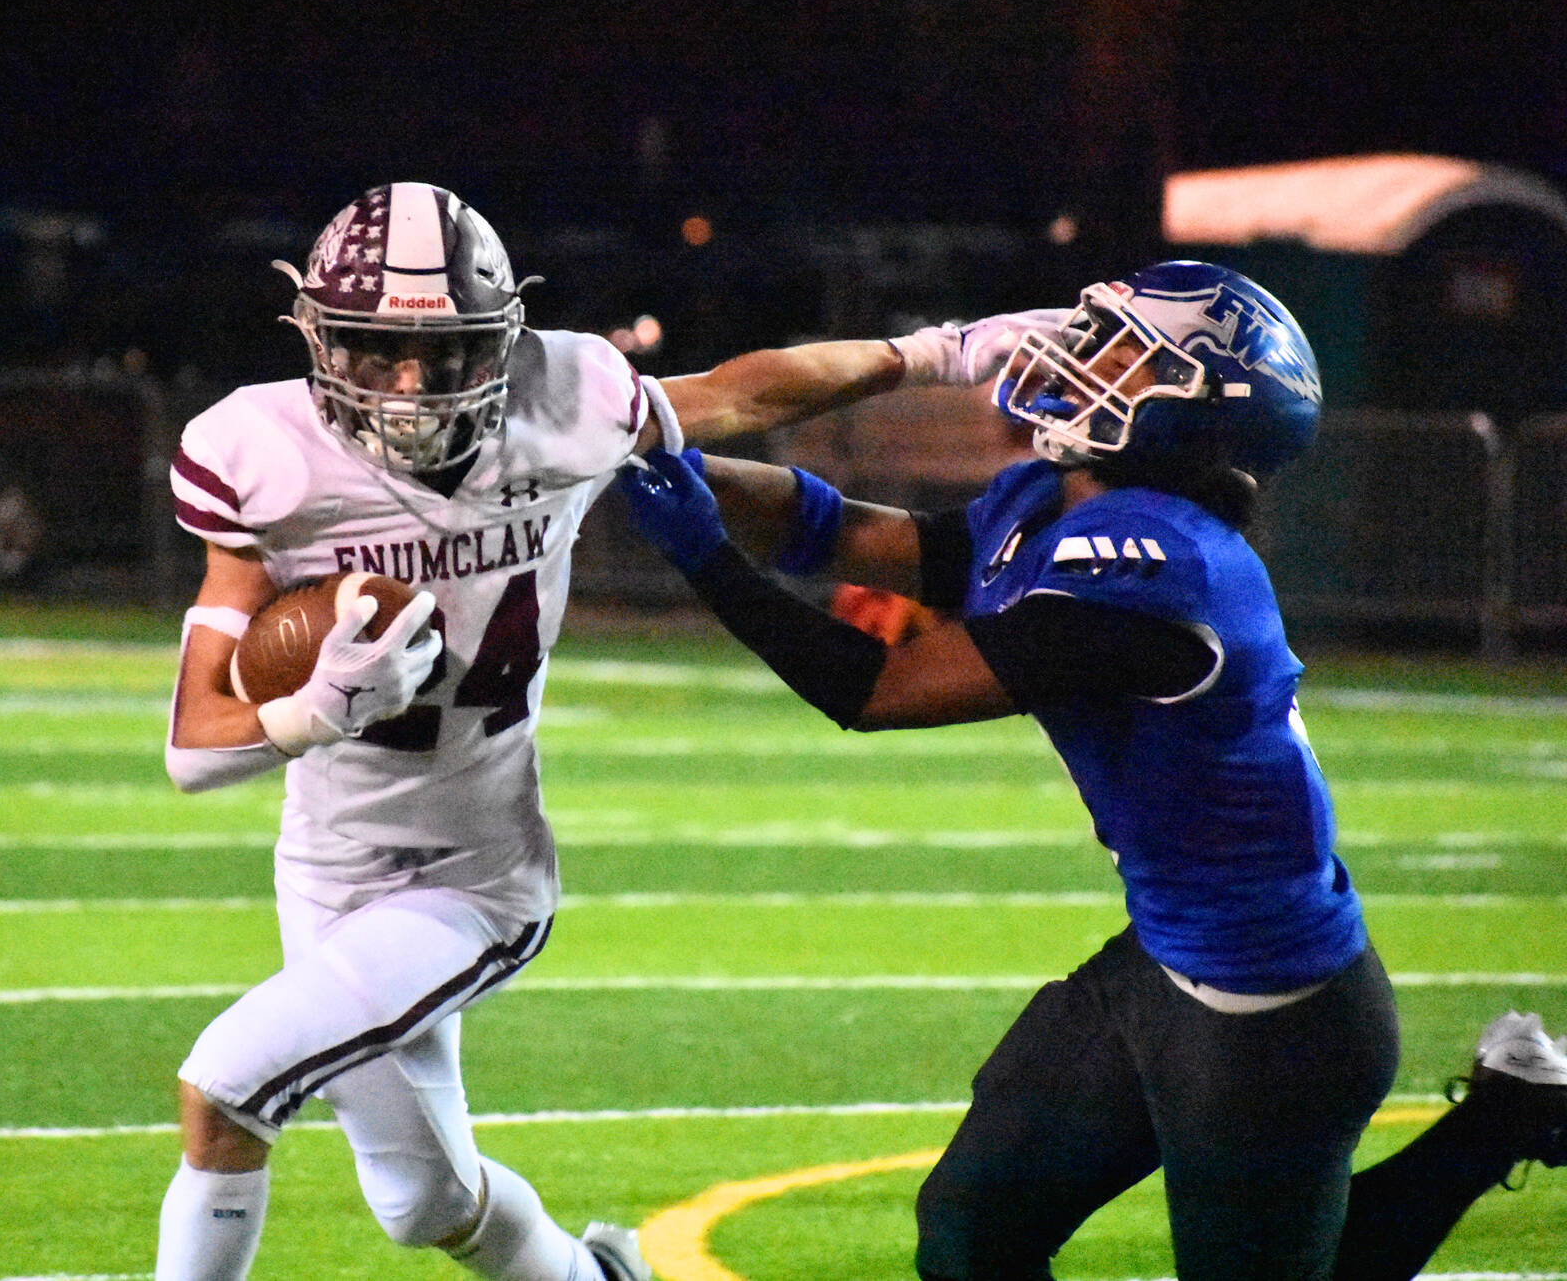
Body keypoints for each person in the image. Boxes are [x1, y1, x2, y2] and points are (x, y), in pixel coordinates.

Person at [614, 259, 1567, 1281]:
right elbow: (848, 532)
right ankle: (1505, 1115)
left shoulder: (1160, 568)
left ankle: (1495, 1126)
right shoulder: (1059, 498)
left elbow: (877, 690)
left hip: (1275, 1009)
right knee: (971, 1235)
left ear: (1183, 411)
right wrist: (662, 468)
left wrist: (704, 557)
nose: (1074, 355)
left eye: (1121, 351)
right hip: (1159, 957)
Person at [152, 181, 1027, 1281]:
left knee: (225, 1087)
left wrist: (941, 352)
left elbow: (745, 392)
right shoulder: (262, 453)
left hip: (473, 879)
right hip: (326, 869)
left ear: (505, 339)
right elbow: (195, 744)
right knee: (423, 1202)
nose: (414, 386)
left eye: (452, 353)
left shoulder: (565, 399)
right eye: (378, 350)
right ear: (320, 339)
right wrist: (315, 707)